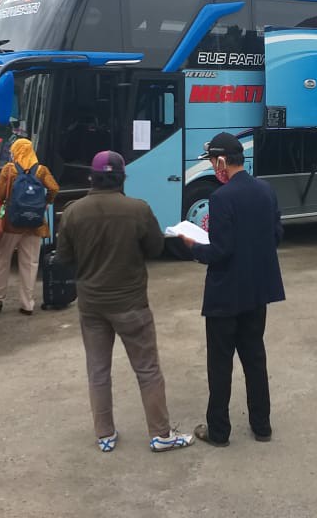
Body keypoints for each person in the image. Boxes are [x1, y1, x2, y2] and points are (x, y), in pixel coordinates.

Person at [56, 151, 194, 454]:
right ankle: (161, 434)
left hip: (91, 305)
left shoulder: (73, 212)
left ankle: (104, 434)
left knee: (98, 370)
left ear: (91, 177)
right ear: (122, 177)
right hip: (131, 303)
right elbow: (156, 248)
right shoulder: (138, 210)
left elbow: (63, 257)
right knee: (147, 370)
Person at [179, 132, 285, 447]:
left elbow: (219, 251)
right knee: (254, 357)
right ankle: (262, 426)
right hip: (257, 291)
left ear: (222, 161)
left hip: (226, 294)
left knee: (220, 363)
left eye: (213, 162)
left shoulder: (222, 198)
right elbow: (276, 234)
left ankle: (219, 431)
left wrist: (194, 244)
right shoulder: (266, 190)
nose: (213, 168)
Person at [0, 138, 59, 315]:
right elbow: (54, 188)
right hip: (35, 223)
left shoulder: (9, 170)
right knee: (30, 263)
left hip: (12, 223)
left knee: (2, 260)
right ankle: (27, 304)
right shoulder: (41, 170)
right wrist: (45, 203)